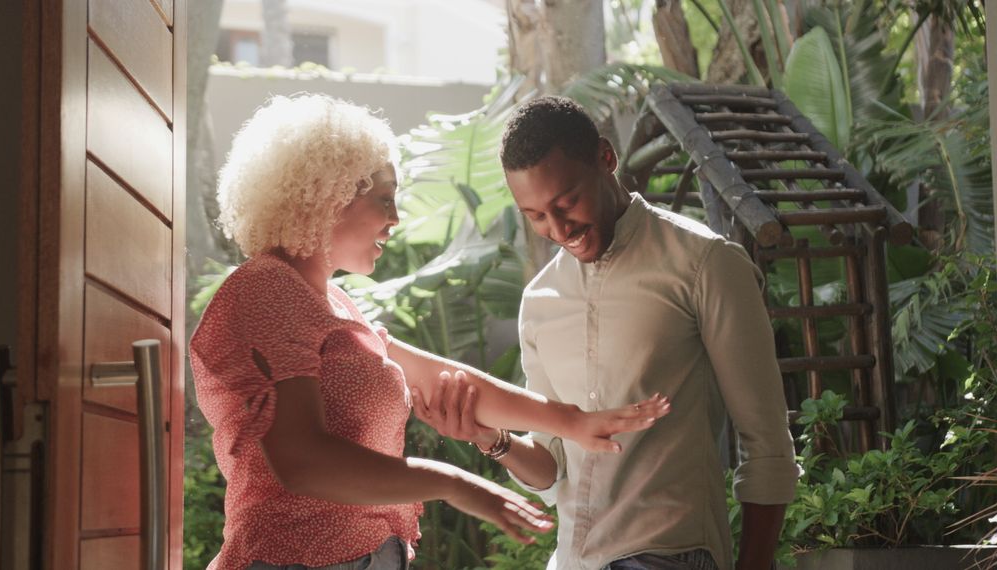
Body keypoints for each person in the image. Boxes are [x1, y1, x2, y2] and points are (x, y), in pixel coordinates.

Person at [189, 94, 671, 570]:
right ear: (327, 197)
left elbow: (440, 379)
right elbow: (302, 460)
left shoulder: (332, 304)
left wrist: (572, 422)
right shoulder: (267, 289)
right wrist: (454, 482)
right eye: (384, 199)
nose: (395, 218)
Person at [412, 96, 800, 570]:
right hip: (573, 560)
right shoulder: (539, 301)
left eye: (566, 201)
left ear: (605, 159)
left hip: (667, 554)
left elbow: (767, 442)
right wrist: (491, 438)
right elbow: (552, 469)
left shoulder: (705, 264)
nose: (557, 228)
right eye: (535, 215)